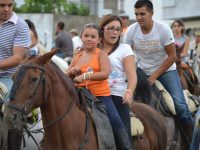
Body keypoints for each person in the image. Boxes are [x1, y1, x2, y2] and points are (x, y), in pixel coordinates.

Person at [124, 0, 194, 143]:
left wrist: (155, 76)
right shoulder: (131, 30)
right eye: (136, 14)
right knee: (127, 102)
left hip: (166, 70)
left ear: (151, 13)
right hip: (142, 71)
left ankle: (193, 139)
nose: (138, 17)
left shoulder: (163, 29)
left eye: (142, 14)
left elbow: (173, 56)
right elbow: (127, 55)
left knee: (180, 106)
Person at [66, 23, 132, 149]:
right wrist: (71, 71)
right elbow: (65, 75)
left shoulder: (101, 54)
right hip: (79, 95)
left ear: (99, 39)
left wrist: (85, 76)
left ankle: (126, 147)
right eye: (86, 35)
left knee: (115, 120)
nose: (89, 39)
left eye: (92, 36)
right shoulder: (77, 57)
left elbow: (105, 73)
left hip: (100, 97)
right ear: (81, 37)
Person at [99, 14, 137, 143]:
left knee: (122, 135)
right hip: (92, 92)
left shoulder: (125, 49)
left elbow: (132, 76)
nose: (114, 32)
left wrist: (129, 91)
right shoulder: (94, 47)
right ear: (102, 28)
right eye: (111, 28)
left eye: (118, 29)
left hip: (116, 94)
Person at [0, 0, 30, 99]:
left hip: (8, 76)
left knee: (12, 100)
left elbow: (17, 59)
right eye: (2, 5)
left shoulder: (20, 25)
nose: (6, 9)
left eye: (10, 5)